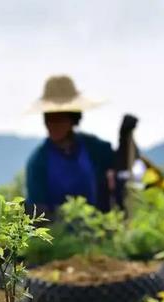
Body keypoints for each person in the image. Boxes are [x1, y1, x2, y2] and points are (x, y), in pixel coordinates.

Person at [26, 75, 115, 215]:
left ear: (72, 119)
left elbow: (121, 164)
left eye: (58, 118)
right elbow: (36, 212)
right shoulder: (39, 161)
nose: (52, 124)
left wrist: (126, 136)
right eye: (48, 118)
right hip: (56, 234)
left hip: (97, 231)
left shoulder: (94, 148)